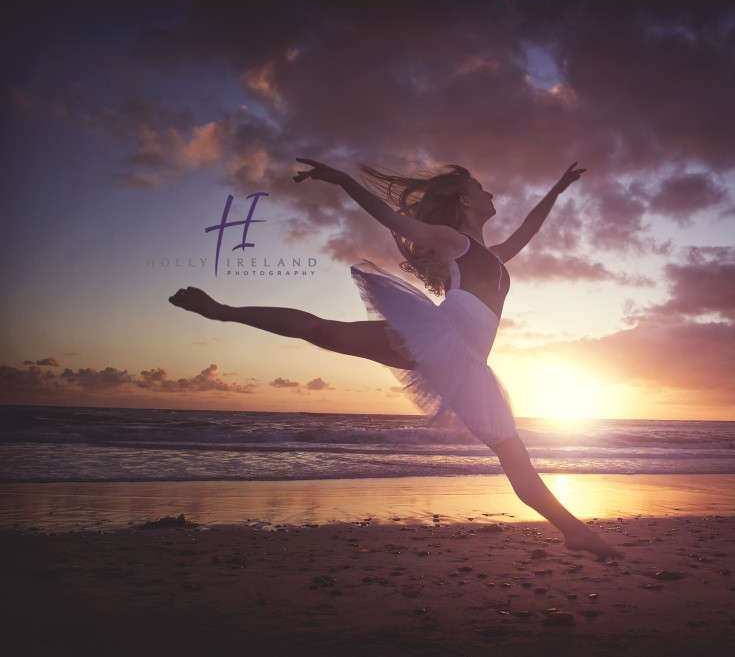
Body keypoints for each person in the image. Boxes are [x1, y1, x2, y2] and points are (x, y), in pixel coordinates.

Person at [169, 159, 618, 560]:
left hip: (465, 361)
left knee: (513, 454)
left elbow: (528, 231)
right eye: (483, 189)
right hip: (441, 336)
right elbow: (390, 216)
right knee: (324, 331)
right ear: (465, 199)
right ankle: (221, 311)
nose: (491, 194)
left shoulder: (493, 254)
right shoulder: (452, 240)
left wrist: (556, 191)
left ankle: (574, 531)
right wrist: (344, 180)